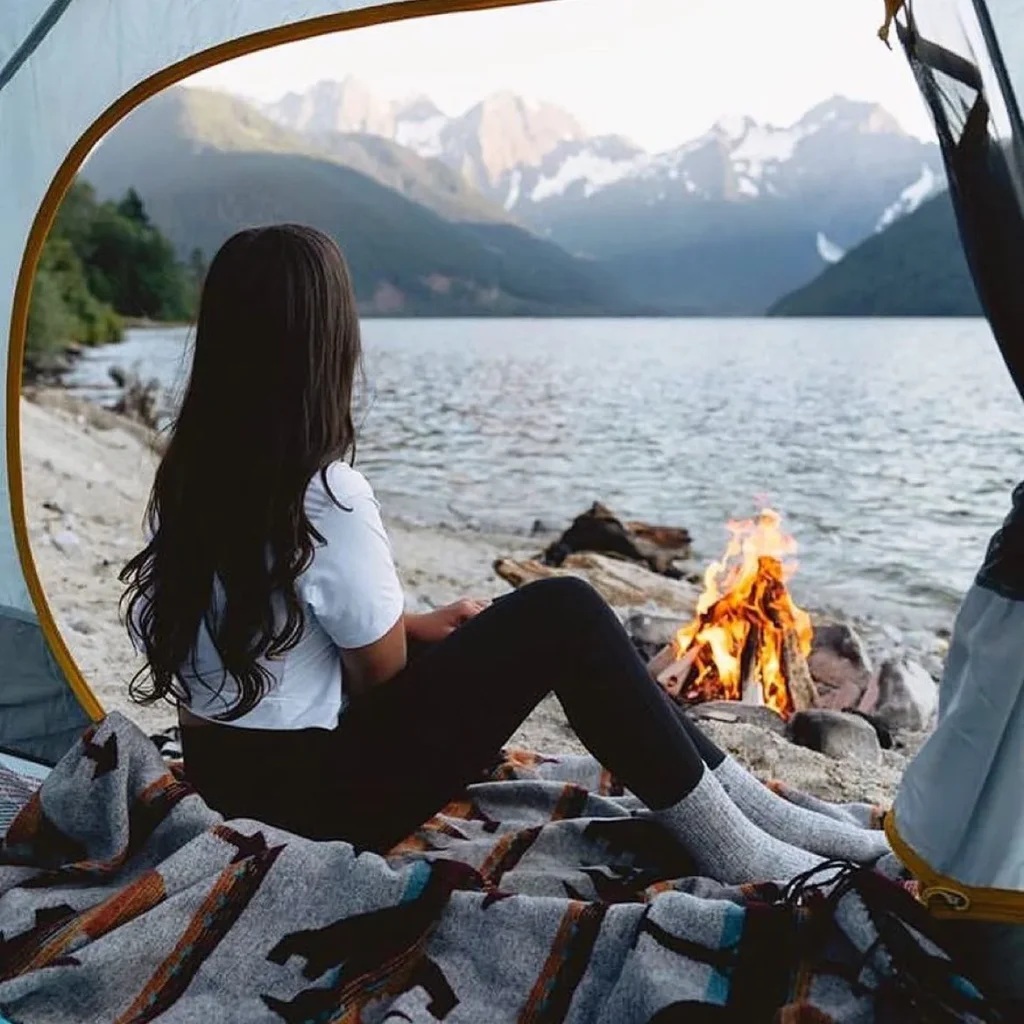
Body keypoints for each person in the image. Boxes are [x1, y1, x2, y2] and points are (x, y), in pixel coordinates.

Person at [120, 224, 889, 881]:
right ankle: (751, 848)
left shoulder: (188, 476)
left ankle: (763, 820)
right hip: (319, 811)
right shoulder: (324, 494)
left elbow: (290, 628)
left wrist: (419, 626)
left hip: (232, 780)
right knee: (568, 613)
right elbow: (377, 684)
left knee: (553, 622)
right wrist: (470, 651)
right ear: (327, 346)